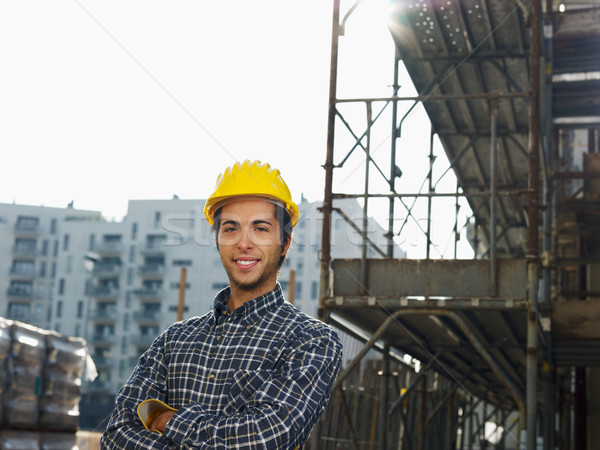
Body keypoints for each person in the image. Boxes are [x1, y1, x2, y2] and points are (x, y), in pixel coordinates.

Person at [101, 160, 343, 449]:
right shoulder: (173, 341)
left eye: (261, 228)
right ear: (217, 240)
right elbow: (117, 434)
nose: (244, 243)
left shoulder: (311, 341)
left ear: (286, 242)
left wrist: (168, 421)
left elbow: (266, 436)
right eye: (231, 229)